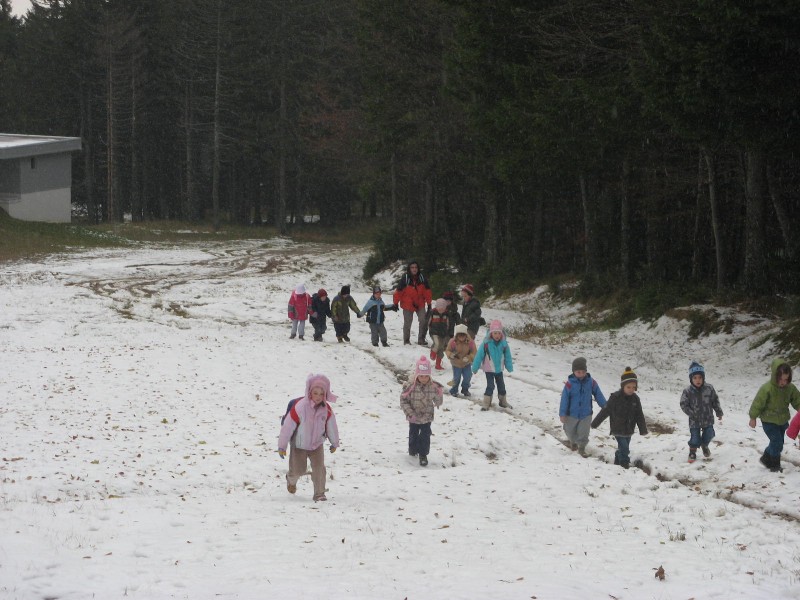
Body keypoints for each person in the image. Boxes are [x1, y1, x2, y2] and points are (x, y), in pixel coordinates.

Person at [277, 373, 340, 502]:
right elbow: (287, 427)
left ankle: (319, 493)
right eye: (315, 393)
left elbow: (331, 426)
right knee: (298, 469)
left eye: (321, 394)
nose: (318, 397)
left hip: (317, 444)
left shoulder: (326, 410)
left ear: (325, 394)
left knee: (319, 469)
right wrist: (282, 446)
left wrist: (334, 442)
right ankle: (291, 480)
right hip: (299, 444)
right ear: (310, 392)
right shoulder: (300, 407)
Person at [748, 358, 800, 473]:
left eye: (786, 380)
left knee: (778, 443)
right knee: (777, 442)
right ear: (775, 376)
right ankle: (775, 465)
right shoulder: (767, 388)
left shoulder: (790, 388)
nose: (783, 382)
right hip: (768, 420)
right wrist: (753, 417)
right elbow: (758, 403)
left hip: (782, 420)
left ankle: (766, 458)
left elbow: (797, 399)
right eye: (781, 379)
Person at [591, 367, 648, 469]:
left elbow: (639, 414)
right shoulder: (615, 398)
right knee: (625, 448)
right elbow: (605, 411)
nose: (631, 390)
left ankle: (618, 458)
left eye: (633, 387)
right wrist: (595, 423)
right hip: (617, 428)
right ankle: (624, 464)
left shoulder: (635, 399)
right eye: (628, 387)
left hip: (629, 428)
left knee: (623, 447)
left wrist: (642, 429)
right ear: (623, 386)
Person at [400, 356, 444, 466]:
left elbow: (438, 400)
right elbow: (403, 400)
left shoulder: (433, 387)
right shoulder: (411, 387)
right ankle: (413, 450)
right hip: (413, 416)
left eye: (426, 376)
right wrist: (410, 413)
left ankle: (423, 454)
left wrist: (439, 395)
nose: (424, 378)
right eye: (421, 376)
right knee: (413, 435)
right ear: (417, 376)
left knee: (425, 436)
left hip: (426, 416)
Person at [559, 357, 607, 457]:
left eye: (583, 372)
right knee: (569, 431)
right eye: (578, 372)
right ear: (574, 372)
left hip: (586, 413)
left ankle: (582, 448)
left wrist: (605, 406)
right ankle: (573, 442)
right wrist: (562, 414)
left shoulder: (591, 382)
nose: (581, 374)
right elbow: (564, 399)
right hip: (571, 414)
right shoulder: (569, 384)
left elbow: (598, 393)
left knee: (584, 432)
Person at [679, 361, 723, 463]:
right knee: (695, 437)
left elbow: (715, 401)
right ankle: (692, 452)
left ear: (703, 378)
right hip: (694, 420)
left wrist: (719, 412)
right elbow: (683, 404)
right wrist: (691, 413)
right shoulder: (688, 391)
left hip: (708, 418)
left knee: (710, 433)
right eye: (695, 378)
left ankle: (705, 445)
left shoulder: (709, 389)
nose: (698, 380)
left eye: (700, 377)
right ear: (691, 379)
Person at [471, 319, 514, 410]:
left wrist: (509, 366)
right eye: (495, 333)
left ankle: (503, 401)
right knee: (490, 386)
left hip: (499, 370)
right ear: (491, 333)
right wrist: (475, 367)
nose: (497, 335)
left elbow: (508, 356)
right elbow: (479, 356)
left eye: (499, 333)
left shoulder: (504, 344)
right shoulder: (486, 344)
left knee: (501, 386)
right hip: (489, 369)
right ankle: (486, 403)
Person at [393, 261, 432, 346]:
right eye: (412, 267)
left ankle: (421, 339)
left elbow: (427, 292)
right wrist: (395, 303)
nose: (414, 269)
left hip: (420, 303)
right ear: (409, 269)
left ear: (418, 269)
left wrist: (429, 304)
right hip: (407, 304)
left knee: (423, 320)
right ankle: (406, 341)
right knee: (408, 322)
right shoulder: (405, 279)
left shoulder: (422, 278)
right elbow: (398, 292)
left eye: (416, 267)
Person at [445, 323, 477, 397]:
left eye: (463, 335)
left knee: (468, 376)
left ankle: (465, 389)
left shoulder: (470, 342)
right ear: (456, 335)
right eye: (459, 335)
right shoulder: (453, 342)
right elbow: (447, 350)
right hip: (456, 363)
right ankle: (454, 390)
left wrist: (469, 357)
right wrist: (450, 355)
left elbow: (474, 352)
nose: (461, 337)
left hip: (466, 363)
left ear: (466, 335)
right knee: (456, 378)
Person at [427, 298, 452, 371]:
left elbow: (448, 324)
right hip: (434, 332)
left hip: (443, 333)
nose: (441, 310)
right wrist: (427, 328)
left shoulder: (446, 314)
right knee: (437, 344)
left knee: (441, 348)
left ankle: (438, 365)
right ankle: (433, 353)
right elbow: (428, 322)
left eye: (443, 308)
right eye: (439, 308)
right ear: (437, 307)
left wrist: (447, 332)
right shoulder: (432, 313)